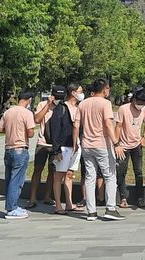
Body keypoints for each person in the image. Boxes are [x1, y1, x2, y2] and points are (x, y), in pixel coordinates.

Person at [74, 78, 124, 221]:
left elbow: (76, 124)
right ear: (104, 89)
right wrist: (116, 143)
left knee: (90, 177)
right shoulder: (105, 103)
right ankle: (111, 208)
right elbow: (108, 124)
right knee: (110, 176)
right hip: (102, 145)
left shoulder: (83, 103)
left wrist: (75, 142)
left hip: (86, 145)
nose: (109, 91)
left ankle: (91, 212)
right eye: (108, 88)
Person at [0, 90, 36, 219]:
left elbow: (0, 129)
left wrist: (11, 131)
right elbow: (30, 133)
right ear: (29, 99)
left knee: (9, 179)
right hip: (20, 148)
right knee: (17, 180)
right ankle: (12, 208)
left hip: (8, 149)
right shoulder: (27, 113)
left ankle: (11, 205)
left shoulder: (8, 112)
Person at [49, 82, 84, 213]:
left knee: (70, 174)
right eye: (80, 91)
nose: (82, 93)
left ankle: (69, 203)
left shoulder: (80, 107)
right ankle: (58, 205)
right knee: (59, 176)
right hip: (63, 147)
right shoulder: (61, 108)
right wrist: (56, 150)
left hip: (76, 146)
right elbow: (55, 129)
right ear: (73, 93)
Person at [115, 86, 145, 209]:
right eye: (139, 103)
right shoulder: (123, 109)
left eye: (143, 103)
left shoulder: (144, 110)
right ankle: (123, 197)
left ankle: (140, 198)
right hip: (123, 146)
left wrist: (144, 137)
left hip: (137, 145)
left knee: (139, 172)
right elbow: (118, 126)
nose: (140, 106)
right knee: (121, 172)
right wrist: (117, 144)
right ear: (134, 100)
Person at [27, 87, 59, 208]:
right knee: (38, 169)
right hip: (42, 143)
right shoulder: (42, 104)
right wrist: (48, 105)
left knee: (53, 171)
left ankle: (47, 196)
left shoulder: (62, 106)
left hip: (55, 144)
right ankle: (33, 197)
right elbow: (37, 119)